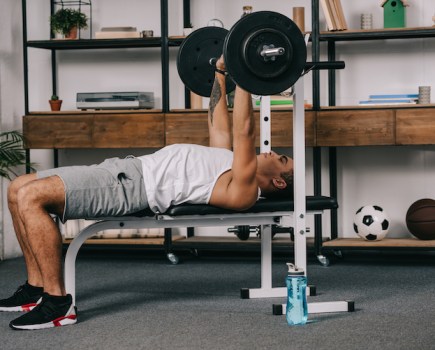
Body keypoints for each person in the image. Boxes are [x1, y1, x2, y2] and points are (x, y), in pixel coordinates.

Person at [0, 56, 294, 330]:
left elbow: (245, 131)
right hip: (127, 170)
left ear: (278, 182)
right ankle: (35, 288)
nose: (270, 152)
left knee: (31, 196)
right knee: (17, 188)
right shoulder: (228, 161)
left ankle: (57, 303)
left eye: (279, 158)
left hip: (130, 187)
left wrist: (242, 74)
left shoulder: (243, 188)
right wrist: (221, 72)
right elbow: (219, 123)